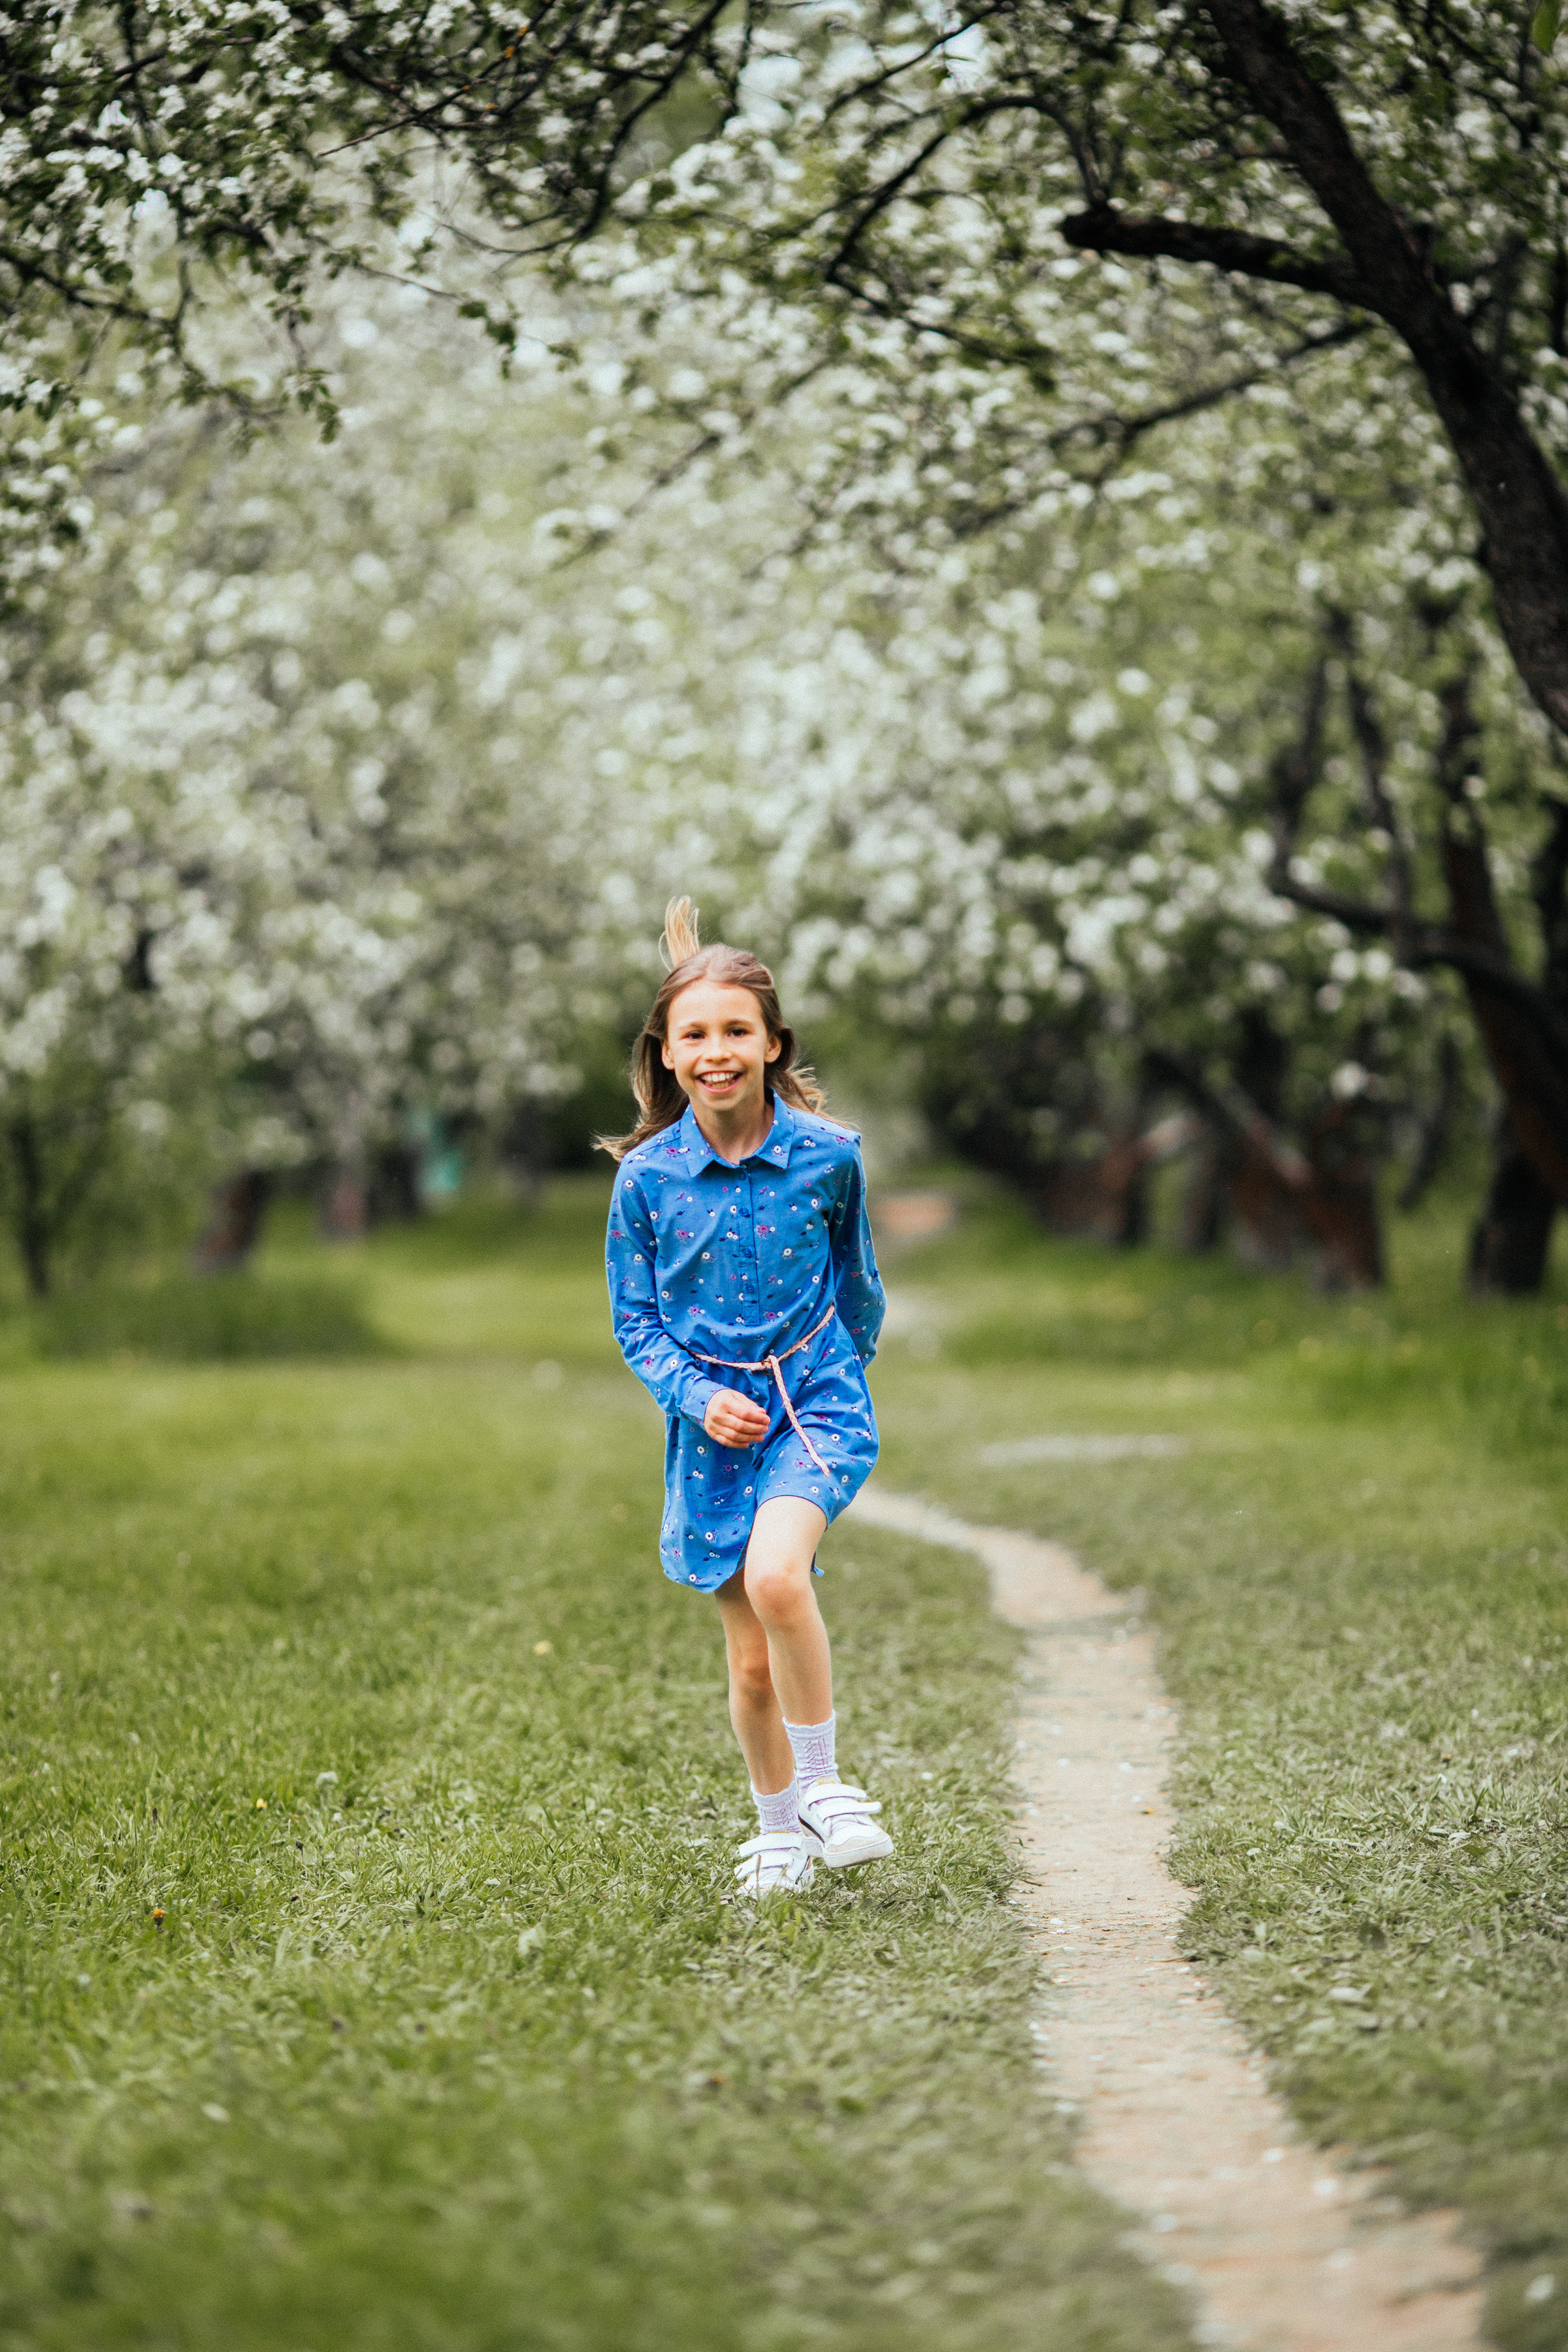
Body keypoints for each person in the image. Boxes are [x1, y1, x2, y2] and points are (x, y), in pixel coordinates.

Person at [603, 898, 892, 1897]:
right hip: (711, 1426)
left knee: (780, 1580)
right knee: (751, 1663)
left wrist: (838, 1383)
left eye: (738, 1031)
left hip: (815, 1402)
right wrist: (693, 1394)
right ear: (669, 1054)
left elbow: (858, 1287)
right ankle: (778, 1832)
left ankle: (825, 1788)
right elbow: (635, 1322)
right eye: (697, 1033)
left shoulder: (829, 1157)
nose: (718, 1050)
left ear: (773, 1044)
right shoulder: (645, 1180)